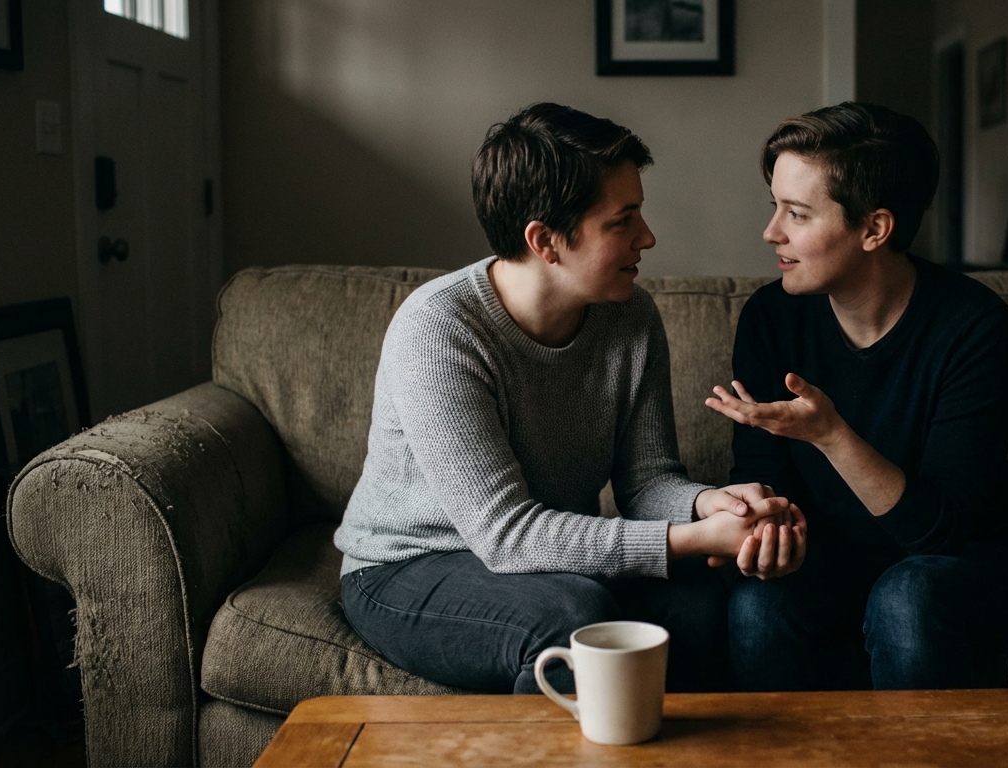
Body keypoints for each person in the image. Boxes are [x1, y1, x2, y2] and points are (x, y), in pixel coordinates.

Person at [335, 103, 806, 695]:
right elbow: (505, 535)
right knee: (570, 616)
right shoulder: (439, 329)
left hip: (539, 558)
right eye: (623, 220)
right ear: (545, 240)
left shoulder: (629, 315)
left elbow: (646, 483)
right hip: (407, 566)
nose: (648, 237)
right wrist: (689, 541)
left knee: (712, 600)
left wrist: (713, 507)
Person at [705, 102, 1008, 691]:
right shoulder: (770, 319)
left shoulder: (974, 326)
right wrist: (763, 525)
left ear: (874, 229)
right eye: (774, 206)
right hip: (829, 558)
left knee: (907, 595)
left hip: (955, 561)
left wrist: (832, 436)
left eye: (799, 214)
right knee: (758, 605)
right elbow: (762, 474)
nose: (771, 233)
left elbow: (943, 529)